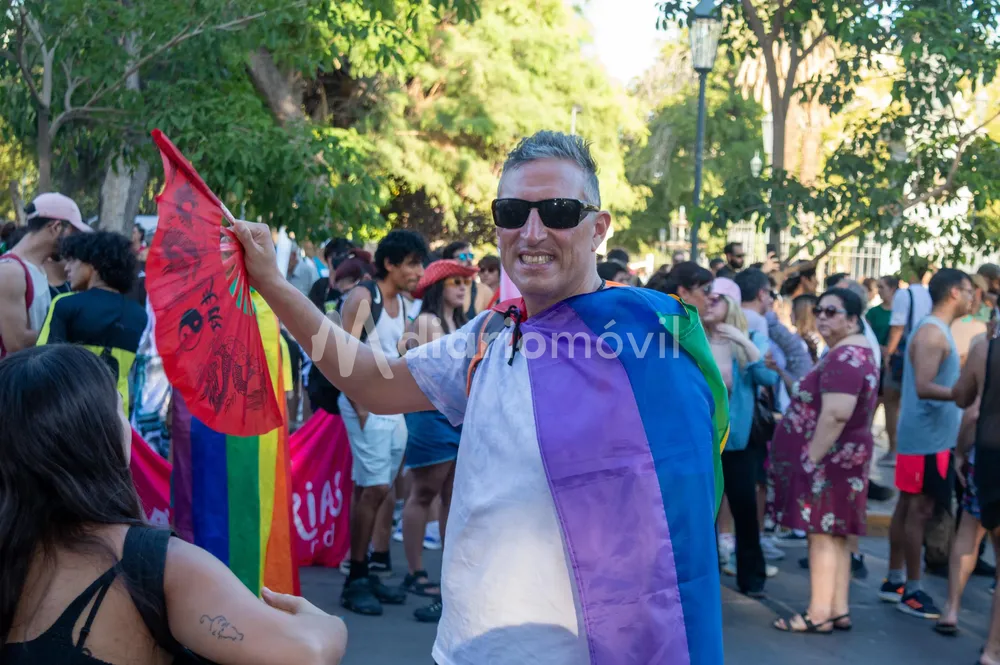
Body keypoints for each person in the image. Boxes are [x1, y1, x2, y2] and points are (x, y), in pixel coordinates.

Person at [233, 130, 727, 664]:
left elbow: (675, 532)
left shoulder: (648, 344)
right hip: (468, 648)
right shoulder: (490, 335)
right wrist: (270, 282)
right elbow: (371, 382)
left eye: (558, 211)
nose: (532, 232)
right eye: (513, 211)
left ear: (598, 228)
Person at [0, 345, 347, 665]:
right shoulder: (153, 564)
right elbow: (307, 653)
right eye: (119, 408)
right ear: (98, 436)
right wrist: (329, 626)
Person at [769, 288, 879, 633]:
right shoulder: (854, 352)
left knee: (822, 534)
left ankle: (818, 614)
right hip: (843, 460)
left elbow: (836, 414)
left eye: (831, 311)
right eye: (819, 310)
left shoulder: (845, 358)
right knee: (837, 535)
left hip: (829, 462)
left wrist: (809, 459)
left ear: (851, 318)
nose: (822, 316)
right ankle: (837, 607)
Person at [337, 229, 426, 615]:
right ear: (390, 264)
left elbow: (393, 347)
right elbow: (341, 355)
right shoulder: (362, 296)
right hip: (366, 406)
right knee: (373, 489)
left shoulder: (402, 304)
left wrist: (409, 348)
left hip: (390, 407)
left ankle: (366, 570)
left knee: (381, 489)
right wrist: (361, 405)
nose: (419, 271)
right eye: (412, 263)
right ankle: (355, 576)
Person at [882, 268, 973, 619]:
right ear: (953, 293)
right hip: (925, 441)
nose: (972, 298)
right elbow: (922, 385)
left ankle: (894, 580)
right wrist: (961, 393)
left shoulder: (935, 330)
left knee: (908, 508)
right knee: (918, 511)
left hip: (925, 438)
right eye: (968, 291)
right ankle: (912, 589)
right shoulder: (933, 334)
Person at [398, 260, 478, 624]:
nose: (463, 288)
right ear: (438, 287)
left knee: (450, 498)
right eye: (455, 283)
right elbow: (425, 373)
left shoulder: (459, 321)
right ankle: (415, 572)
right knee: (424, 493)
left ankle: (446, 575)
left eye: (465, 283)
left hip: (454, 417)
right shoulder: (427, 322)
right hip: (431, 417)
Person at [704, 278, 780, 596]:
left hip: (737, 442)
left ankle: (752, 577)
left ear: (732, 305)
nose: (709, 302)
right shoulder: (691, 338)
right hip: (702, 442)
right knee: (701, 512)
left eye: (717, 298)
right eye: (706, 297)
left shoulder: (752, 338)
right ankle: (703, 582)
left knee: (745, 508)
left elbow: (767, 376)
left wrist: (743, 341)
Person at [37, 231, 148, 413]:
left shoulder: (65, 304)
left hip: (70, 410)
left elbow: (42, 358)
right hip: (117, 414)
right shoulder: (140, 315)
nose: (67, 268)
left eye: (73, 260)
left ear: (94, 264)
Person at [936, 332, 996, 636]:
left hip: (987, 453)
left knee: (969, 530)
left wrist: (959, 452)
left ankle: (952, 608)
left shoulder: (986, 348)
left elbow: (966, 404)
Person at [0, 193, 89, 358]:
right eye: (74, 231)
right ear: (55, 227)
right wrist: (68, 327)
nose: (76, 241)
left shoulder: (37, 267)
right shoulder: (10, 271)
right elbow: (16, 343)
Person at [869, 276, 901, 464]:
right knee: (872, 406)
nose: (879, 291)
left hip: (892, 366)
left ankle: (893, 448)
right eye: (878, 287)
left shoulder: (899, 312)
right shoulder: (873, 312)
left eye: (882, 287)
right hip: (876, 364)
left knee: (892, 410)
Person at [441, 241, 494, 317]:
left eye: (470, 256)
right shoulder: (441, 290)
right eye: (463, 257)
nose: (469, 260)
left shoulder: (485, 291)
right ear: (449, 261)